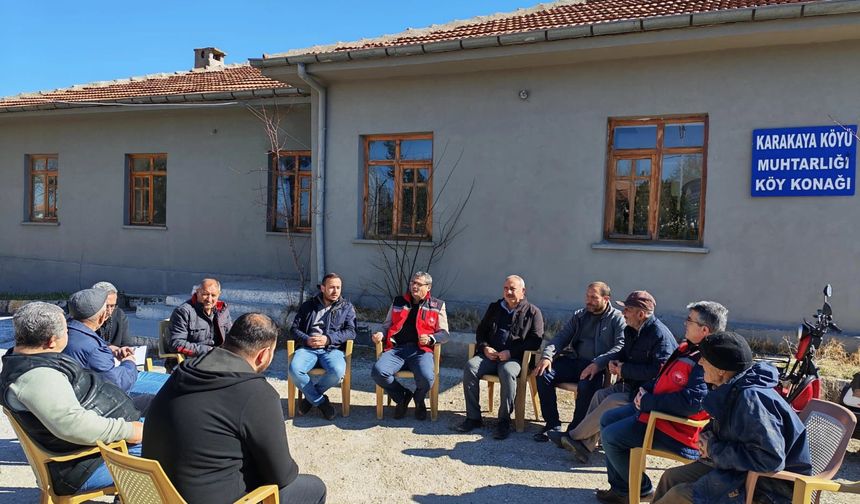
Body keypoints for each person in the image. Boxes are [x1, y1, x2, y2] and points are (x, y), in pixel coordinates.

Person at [143, 313, 327, 504]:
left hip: (158, 495)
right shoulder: (256, 393)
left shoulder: (183, 371)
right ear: (264, 355)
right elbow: (282, 475)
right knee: (314, 487)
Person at [0, 302, 143, 497]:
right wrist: (129, 430)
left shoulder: (29, 359)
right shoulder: (37, 377)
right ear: (51, 340)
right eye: (67, 330)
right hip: (83, 467)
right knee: (177, 447)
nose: (70, 333)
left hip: (91, 450)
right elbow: (74, 425)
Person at [652, 332, 811, 504]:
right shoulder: (731, 388)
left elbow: (769, 459)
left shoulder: (752, 400)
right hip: (740, 471)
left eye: (705, 358)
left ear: (721, 370)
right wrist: (708, 438)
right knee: (671, 477)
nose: (700, 362)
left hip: (770, 487)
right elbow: (734, 431)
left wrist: (713, 448)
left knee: (680, 495)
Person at [592, 301, 727, 504]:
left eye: (689, 320)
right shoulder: (686, 349)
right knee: (608, 419)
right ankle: (621, 488)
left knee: (612, 437)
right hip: (657, 414)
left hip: (675, 427)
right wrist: (646, 389)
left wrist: (648, 402)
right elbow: (663, 376)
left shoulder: (706, 360)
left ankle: (642, 488)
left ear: (704, 330)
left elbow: (692, 403)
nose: (685, 323)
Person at [547, 290, 677, 457]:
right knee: (600, 395)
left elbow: (658, 372)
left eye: (627, 310)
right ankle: (585, 445)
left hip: (646, 393)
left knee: (611, 402)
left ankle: (572, 436)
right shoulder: (633, 329)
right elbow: (624, 352)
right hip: (631, 385)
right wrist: (610, 362)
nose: (623, 313)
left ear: (641, 314)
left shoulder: (659, 335)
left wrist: (623, 370)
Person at [531, 281, 625, 442]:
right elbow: (560, 338)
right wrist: (547, 356)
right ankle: (552, 425)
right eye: (587, 296)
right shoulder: (580, 315)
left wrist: (598, 363)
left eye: (593, 297)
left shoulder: (616, 319)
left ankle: (574, 431)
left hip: (597, 367)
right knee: (543, 374)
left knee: (586, 384)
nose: (588, 301)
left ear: (606, 299)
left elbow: (620, 346)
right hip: (575, 361)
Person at [456, 275, 544, 439]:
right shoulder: (495, 307)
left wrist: (511, 352)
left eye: (512, 289)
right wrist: (484, 347)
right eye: (506, 288)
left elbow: (535, 340)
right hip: (491, 355)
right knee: (471, 366)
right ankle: (473, 418)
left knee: (507, 371)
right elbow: (481, 331)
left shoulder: (533, 312)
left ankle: (504, 421)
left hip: (515, 358)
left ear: (523, 291)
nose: (508, 292)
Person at [371, 271, 449, 420]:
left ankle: (419, 400)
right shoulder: (398, 301)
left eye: (419, 284)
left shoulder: (437, 305)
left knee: (427, 378)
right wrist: (380, 333)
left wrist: (431, 338)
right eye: (413, 283)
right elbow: (386, 325)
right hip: (397, 349)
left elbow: (444, 334)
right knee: (378, 371)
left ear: (428, 287)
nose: (414, 286)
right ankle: (402, 397)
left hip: (421, 351)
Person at [289, 273, 356, 420]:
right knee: (295, 370)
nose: (335, 291)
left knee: (338, 372)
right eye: (332, 287)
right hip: (307, 349)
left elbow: (351, 332)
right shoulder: (308, 306)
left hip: (332, 349)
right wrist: (307, 340)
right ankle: (321, 402)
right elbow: (294, 330)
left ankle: (310, 398)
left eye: (338, 287)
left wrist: (328, 339)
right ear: (323, 288)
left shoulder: (346, 307)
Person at [63, 288, 138, 392]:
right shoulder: (94, 350)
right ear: (102, 316)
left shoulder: (63, 331)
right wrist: (129, 363)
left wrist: (107, 347)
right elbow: (117, 384)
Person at [168, 278, 232, 357]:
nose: (209, 299)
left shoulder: (222, 311)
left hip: (219, 357)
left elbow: (231, 336)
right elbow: (176, 344)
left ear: (219, 294)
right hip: (193, 360)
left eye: (213, 295)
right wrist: (208, 351)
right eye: (205, 294)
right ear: (197, 292)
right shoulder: (183, 312)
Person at [91, 281, 157, 351]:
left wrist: (126, 351)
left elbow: (126, 343)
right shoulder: (85, 318)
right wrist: (108, 347)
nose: (109, 311)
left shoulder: (119, 315)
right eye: (106, 306)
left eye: (112, 306)